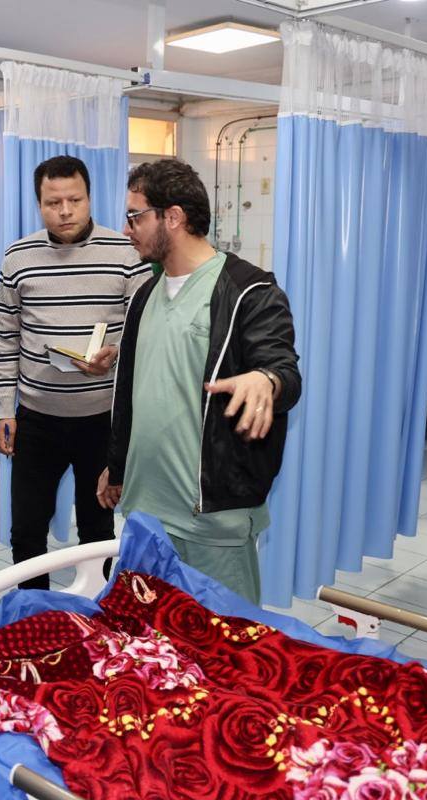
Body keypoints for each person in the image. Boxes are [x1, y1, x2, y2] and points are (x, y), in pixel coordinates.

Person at [99, 159, 300, 604]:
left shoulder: (248, 291)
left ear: (173, 217)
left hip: (209, 522)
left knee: (223, 638)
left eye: (135, 216)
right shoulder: (145, 296)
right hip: (144, 514)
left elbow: (283, 370)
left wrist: (265, 380)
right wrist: (118, 466)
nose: (127, 229)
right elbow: (132, 391)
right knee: (149, 638)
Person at [0, 155, 150, 589]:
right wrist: (5, 408)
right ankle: (35, 617)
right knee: (26, 531)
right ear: (39, 204)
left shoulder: (126, 253)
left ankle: (95, 616)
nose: (64, 211)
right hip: (36, 419)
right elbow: (4, 337)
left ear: (89, 198)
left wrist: (116, 352)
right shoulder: (18, 257)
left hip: (101, 421)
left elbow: (146, 331)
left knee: (97, 530)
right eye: (53, 202)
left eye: (74, 200)